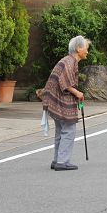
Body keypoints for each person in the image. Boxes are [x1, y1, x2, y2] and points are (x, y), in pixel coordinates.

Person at [41, 35, 88, 171]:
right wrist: (78, 93)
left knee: (61, 130)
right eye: (86, 48)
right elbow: (65, 82)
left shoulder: (67, 60)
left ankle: (57, 160)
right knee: (68, 130)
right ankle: (62, 161)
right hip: (61, 100)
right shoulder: (70, 61)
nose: (87, 51)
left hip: (54, 99)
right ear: (78, 48)